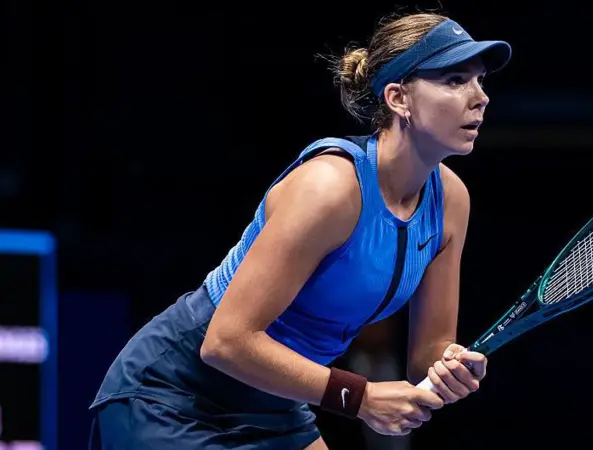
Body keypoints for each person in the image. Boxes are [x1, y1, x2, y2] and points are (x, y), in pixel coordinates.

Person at [87, 10, 512, 450]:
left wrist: (451, 368)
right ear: (397, 98)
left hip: (275, 398)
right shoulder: (329, 188)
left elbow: (428, 356)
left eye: (480, 81)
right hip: (173, 391)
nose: (479, 97)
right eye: (455, 79)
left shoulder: (451, 203)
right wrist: (361, 397)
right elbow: (226, 342)